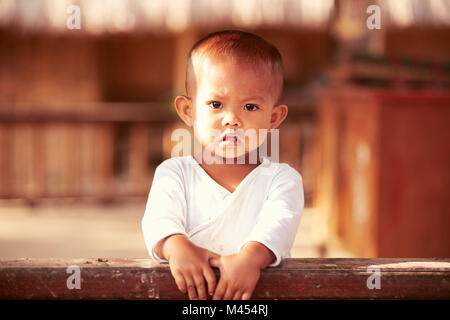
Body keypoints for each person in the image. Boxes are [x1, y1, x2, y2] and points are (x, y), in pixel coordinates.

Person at [141, 30, 304, 300]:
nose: (232, 119)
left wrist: (251, 259)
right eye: (216, 104)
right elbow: (159, 220)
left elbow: (279, 226)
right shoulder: (174, 174)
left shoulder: (282, 180)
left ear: (274, 118)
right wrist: (177, 247)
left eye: (250, 107)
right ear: (188, 111)